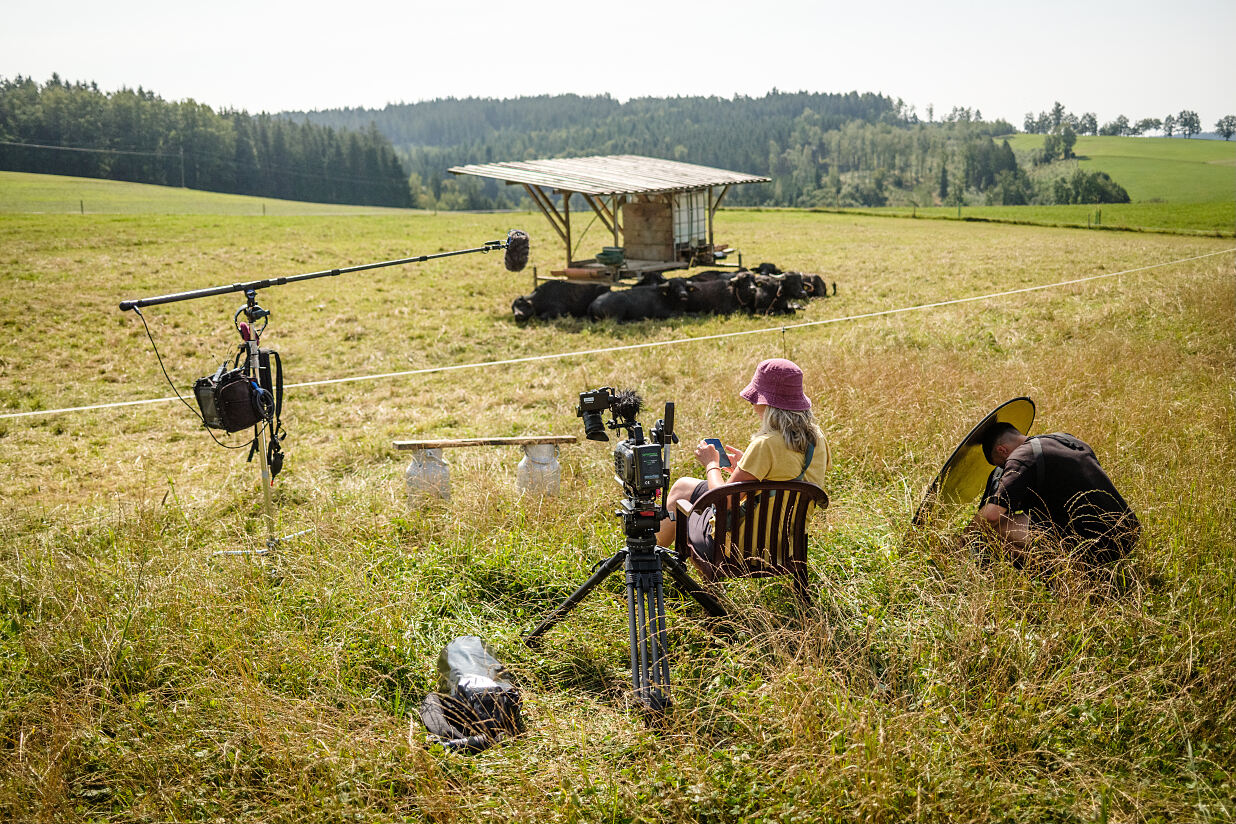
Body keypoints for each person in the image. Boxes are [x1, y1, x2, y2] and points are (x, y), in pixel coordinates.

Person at [654, 358, 829, 554]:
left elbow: (722, 503)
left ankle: (653, 555)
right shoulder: (818, 439)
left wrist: (711, 464)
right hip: (788, 545)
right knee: (684, 485)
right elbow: (790, 474)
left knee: (682, 499)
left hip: (742, 546)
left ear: (768, 404)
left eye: (756, 398)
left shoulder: (766, 444)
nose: (753, 404)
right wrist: (747, 464)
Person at [970, 422, 1139, 567]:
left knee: (994, 528)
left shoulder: (1021, 456)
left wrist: (965, 537)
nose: (1006, 468)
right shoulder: (1066, 439)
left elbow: (992, 515)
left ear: (1002, 450)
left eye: (1003, 465)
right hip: (1127, 533)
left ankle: (1061, 575)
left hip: (1094, 542)